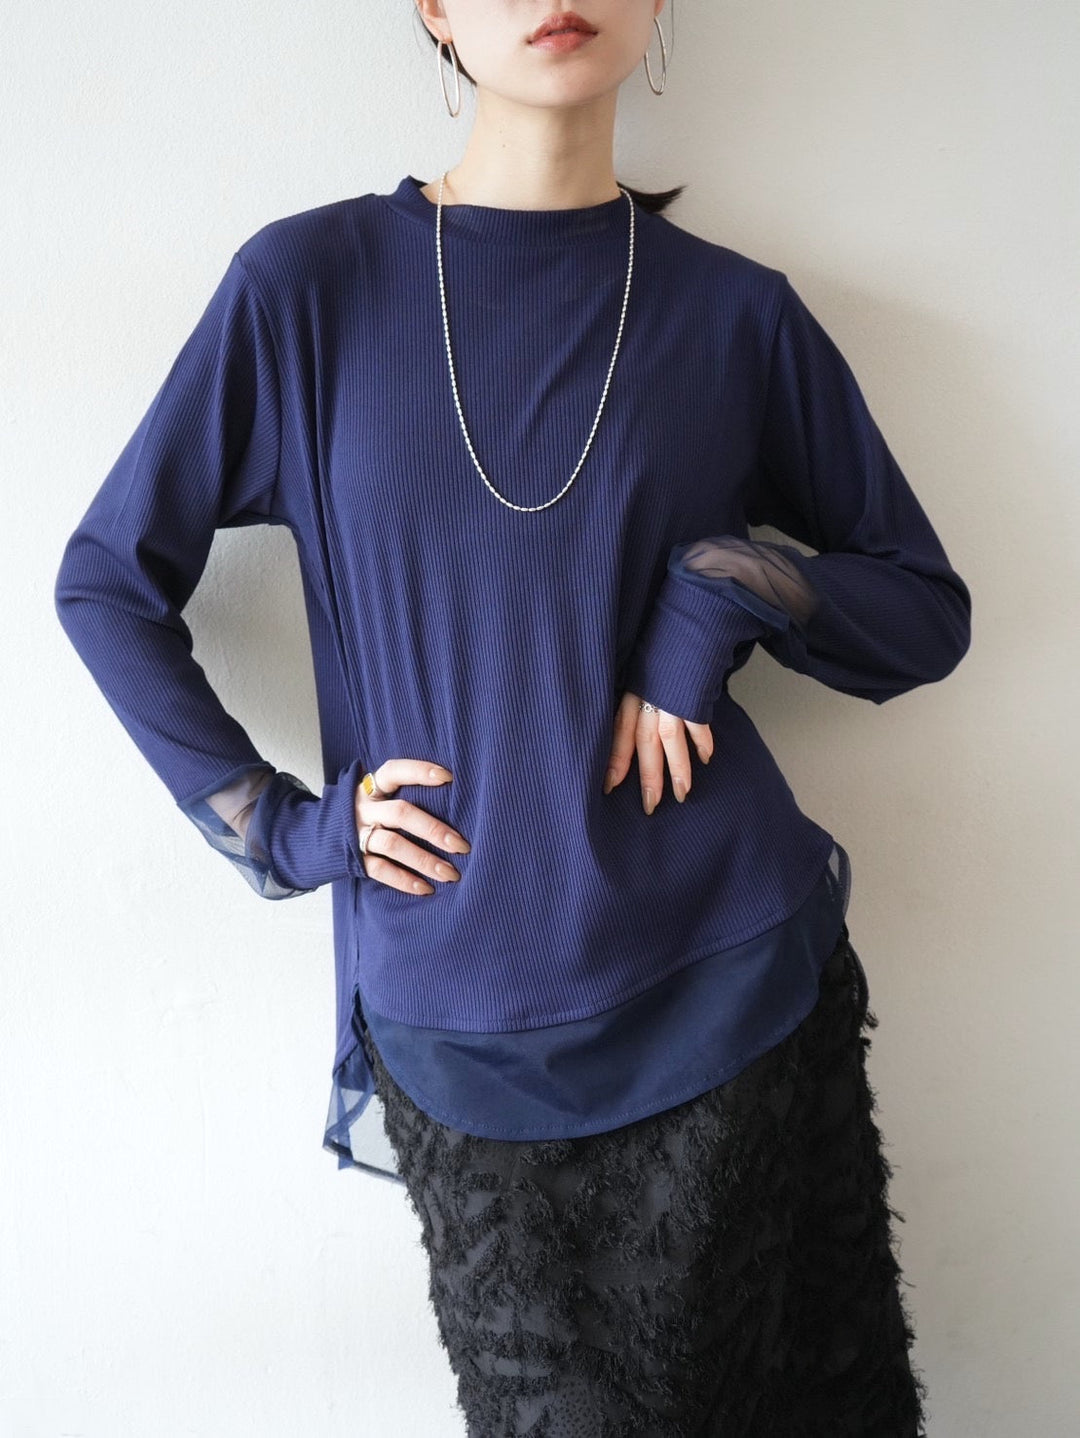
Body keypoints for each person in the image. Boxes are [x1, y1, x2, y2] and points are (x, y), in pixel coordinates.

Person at [54, 1, 971, 1431]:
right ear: (432, 6)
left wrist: (722, 589)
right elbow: (108, 582)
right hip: (460, 1015)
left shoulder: (734, 315)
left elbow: (923, 607)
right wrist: (286, 831)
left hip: (729, 983)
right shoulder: (308, 290)